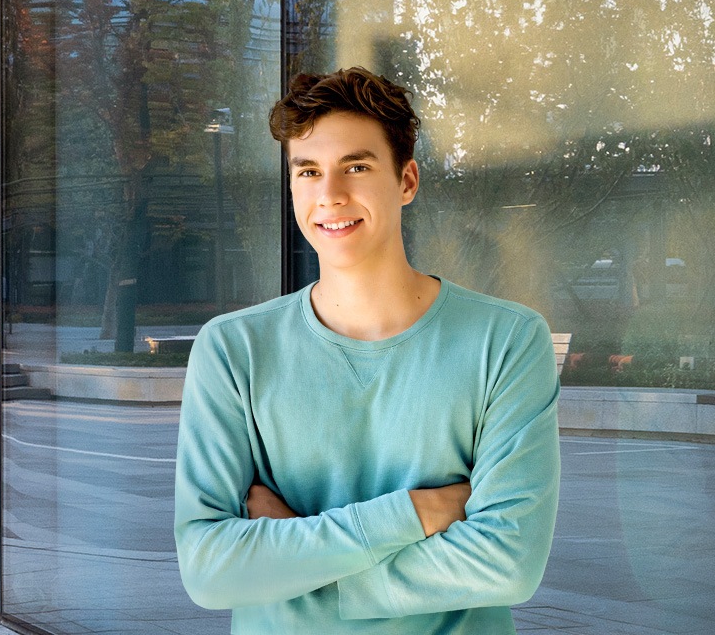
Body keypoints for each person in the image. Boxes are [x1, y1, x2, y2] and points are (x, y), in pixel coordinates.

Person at [173, 66, 561, 634]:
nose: (329, 195)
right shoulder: (233, 350)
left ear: (406, 181)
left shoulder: (506, 341)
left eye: (356, 166)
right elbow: (209, 570)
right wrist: (412, 513)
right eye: (308, 171)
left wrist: (293, 571)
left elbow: (507, 564)